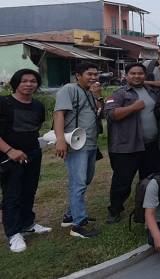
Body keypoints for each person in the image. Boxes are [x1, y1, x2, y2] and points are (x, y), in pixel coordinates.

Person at [104, 63, 160, 224]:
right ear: (126, 76)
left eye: (140, 73)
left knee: (148, 179)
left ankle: (145, 206)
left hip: (150, 144)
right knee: (123, 180)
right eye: (133, 73)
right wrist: (133, 107)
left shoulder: (151, 92)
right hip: (127, 146)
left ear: (145, 75)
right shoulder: (119, 93)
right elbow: (109, 114)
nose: (137, 76)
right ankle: (115, 209)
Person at [0, 69, 50, 252]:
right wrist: (10, 150)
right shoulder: (4, 103)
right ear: (16, 83)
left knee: (30, 190)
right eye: (24, 81)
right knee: (12, 195)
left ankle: (28, 223)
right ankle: (14, 233)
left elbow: (35, 128)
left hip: (33, 154)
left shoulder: (38, 106)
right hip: (9, 156)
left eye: (33, 81)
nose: (29, 84)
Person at [53, 62, 102, 237]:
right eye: (89, 74)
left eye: (96, 74)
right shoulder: (69, 89)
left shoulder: (91, 92)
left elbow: (100, 113)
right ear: (78, 76)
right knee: (78, 182)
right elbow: (59, 114)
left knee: (84, 180)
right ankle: (78, 224)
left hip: (89, 143)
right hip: (74, 143)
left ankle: (70, 215)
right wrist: (60, 139)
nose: (94, 77)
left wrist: (98, 96)